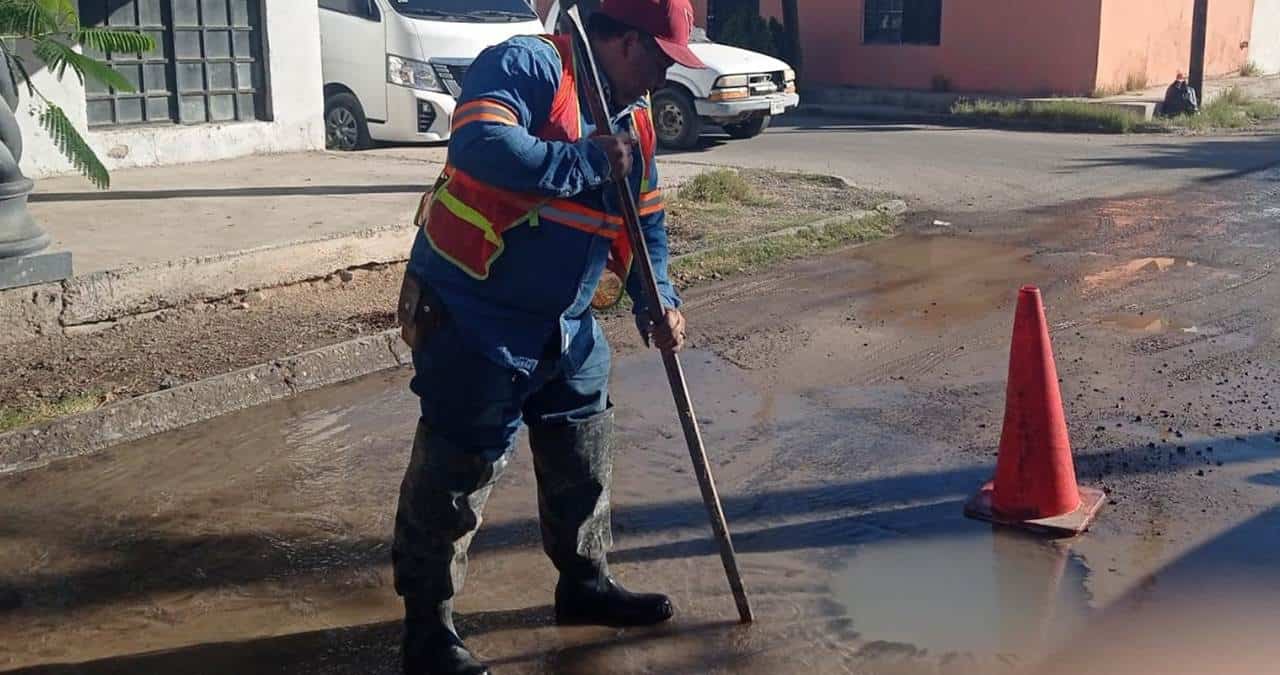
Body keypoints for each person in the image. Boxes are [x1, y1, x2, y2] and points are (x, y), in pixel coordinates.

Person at [391, 1, 706, 673]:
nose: (660, 77)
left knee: (584, 448)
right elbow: (481, 145)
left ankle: (585, 582)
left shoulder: (636, 118)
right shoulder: (529, 65)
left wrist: (660, 301)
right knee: (458, 467)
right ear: (621, 42)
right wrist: (586, 161)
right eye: (657, 58)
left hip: (564, 322)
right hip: (474, 312)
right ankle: (428, 627)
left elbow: (644, 223)